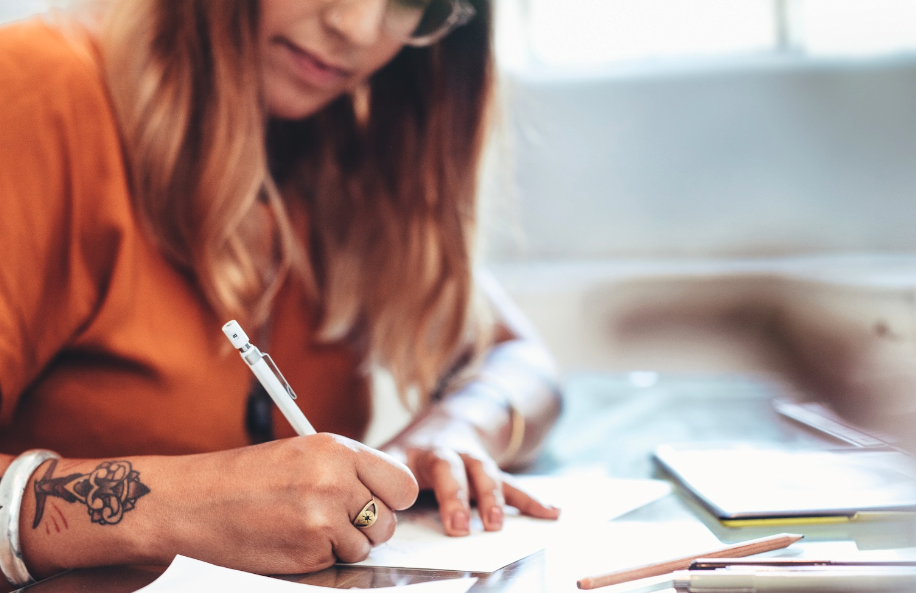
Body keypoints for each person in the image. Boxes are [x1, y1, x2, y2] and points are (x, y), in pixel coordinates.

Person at [0, 0, 562, 588]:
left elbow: (520, 359)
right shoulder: (39, 91)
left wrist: (454, 430)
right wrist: (176, 507)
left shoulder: (345, 147)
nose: (357, 28)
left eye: (409, 1)